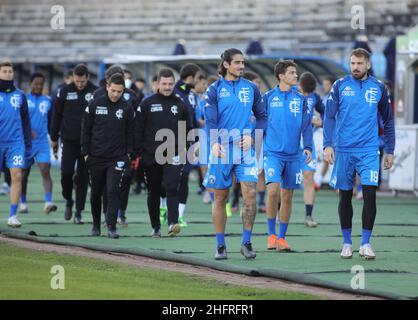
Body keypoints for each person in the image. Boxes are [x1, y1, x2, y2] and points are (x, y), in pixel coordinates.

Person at [323, 48, 395, 260]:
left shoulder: (379, 88)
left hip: (369, 150)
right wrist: (328, 145)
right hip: (344, 150)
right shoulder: (340, 85)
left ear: (368, 65)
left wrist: (390, 150)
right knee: (345, 195)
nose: (355, 67)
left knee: (370, 194)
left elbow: (388, 121)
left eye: (359, 64)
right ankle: (347, 243)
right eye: (352, 63)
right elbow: (329, 116)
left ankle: (365, 243)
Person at [204, 48, 267, 260]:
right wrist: (213, 143)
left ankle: (246, 242)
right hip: (221, 149)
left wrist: (253, 136)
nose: (241, 66)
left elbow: (262, 117)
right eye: (237, 62)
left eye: (243, 62)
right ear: (226, 65)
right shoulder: (213, 89)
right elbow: (210, 119)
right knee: (220, 197)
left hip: (245, 150)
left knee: (250, 196)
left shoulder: (251, 88)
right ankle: (220, 245)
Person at [135, 68, 191, 237]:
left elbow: (187, 129)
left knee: (171, 186)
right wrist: (140, 152)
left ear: (174, 84)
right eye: (164, 84)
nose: (167, 87)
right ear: (157, 84)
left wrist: (184, 149)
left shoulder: (180, 104)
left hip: (173, 153)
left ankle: (173, 222)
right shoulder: (147, 103)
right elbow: (137, 129)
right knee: (154, 191)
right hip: (151, 156)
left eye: (170, 84)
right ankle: (156, 226)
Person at [263, 60, 313, 252]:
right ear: (281, 76)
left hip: (294, 155)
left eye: (295, 72)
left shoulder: (301, 100)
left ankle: (282, 238)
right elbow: (259, 122)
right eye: (292, 73)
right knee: (273, 191)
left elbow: (307, 126)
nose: (296, 75)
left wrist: (307, 146)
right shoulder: (267, 98)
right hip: (273, 153)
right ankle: (271, 235)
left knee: (287, 196)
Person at [81, 73, 134, 238]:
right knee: (96, 192)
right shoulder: (95, 104)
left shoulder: (127, 107)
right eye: (113, 91)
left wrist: (129, 153)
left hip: (117, 158)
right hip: (96, 157)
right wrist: (85, 152)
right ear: (107, 87)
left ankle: (111, 226)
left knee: (113, 190)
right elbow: (86, 129)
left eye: (119, 91)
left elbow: (132, 132)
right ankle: (96, 224)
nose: (116, 94)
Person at [50, 64, 98, 224]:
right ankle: (68, 199)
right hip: (69, 140)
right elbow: (56, 115)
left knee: (83, 177)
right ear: (73, 78)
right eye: (77, 81)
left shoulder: (95, 92)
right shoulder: (64, 91)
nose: (79, 84)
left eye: (82, 81)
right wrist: (54, 137)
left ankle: (78, 211)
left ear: (87, 78)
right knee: (66, 173)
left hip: (88, 143)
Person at [93, 64, 138, 227]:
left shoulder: (132, 96)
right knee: (106, 186)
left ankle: (121, 213)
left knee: (124, 180)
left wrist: (132, 149)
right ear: (107, 82)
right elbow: (89, 124)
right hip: (101, 151)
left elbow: (135, 123)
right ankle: (106, 216)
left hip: (123, 150)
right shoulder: (97, 97)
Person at [0, 60, 32, 227]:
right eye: (4, 71)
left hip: (15, 143)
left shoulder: (20, 95)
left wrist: (28, 146)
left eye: (10, 71)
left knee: (17, 176)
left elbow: (26, 121)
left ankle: (12, 215)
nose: (8, 74)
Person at [20, 72, 57, 214]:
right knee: (24, 173)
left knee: (45, 170)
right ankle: (23, 202)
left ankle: (48, 201)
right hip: (26, 143)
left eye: (41, 84)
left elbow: (52, 121)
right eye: (36, 84)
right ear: (31, 84)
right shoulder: (23, 99)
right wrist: (26, 131)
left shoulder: (48, 101)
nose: (38, 86)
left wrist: (54, 138)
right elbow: (17, 119)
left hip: (42, 142)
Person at [173, 63, 202, 227]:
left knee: (183, 177)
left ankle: (179, 215)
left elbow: (193, 121)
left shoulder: (191, 96)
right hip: (170, 142)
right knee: (168, 181)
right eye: (197, 78)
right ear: (190, 78)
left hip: (188, 141)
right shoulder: (173, 92)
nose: (198, 82)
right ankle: (164, 209)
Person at [298, 72, 325, 227]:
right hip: (291, 143)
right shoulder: (292, 94)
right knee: (285, 181)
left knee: (308, 177)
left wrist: (320, 121)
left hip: (308, 142)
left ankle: (308, 216)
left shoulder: (314, 97)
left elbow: (325, 112)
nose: (307, 93)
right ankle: (279, 214)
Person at [314, 76, 336, 189]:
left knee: (338, 159)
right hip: (327, 133)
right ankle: (319, 180)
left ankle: (340, 185)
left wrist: (321, 123)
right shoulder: (323, 98)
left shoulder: (337, 98)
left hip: (337, 133)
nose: (324, 87)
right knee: (326, 158)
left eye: (327, 84)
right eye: (324, 84)